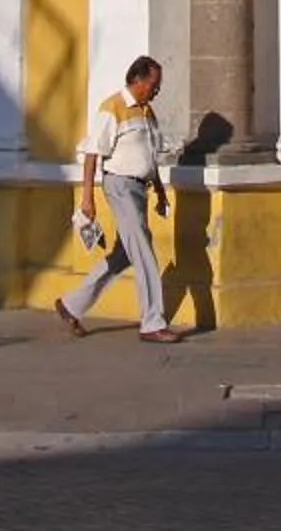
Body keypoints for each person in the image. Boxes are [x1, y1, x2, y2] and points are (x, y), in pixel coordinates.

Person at [52, 56, 183, 344]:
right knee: (144, 253)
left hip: (140, 189)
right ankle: (152, 323)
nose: (156, 91)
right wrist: (88, 198)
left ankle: (71, 305)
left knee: (123, 255)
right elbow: (92, 153)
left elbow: (150, 156)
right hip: (120, 186)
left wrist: (159, 190)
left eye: (158, 86)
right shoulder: (112, 108)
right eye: (153, 84)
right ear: (137, 80)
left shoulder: (148, 113)